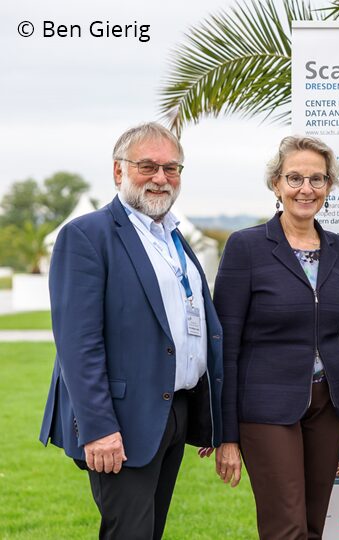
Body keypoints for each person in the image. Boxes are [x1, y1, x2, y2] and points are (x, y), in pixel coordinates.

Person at [38, 122, 224, 539]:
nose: (161, 178)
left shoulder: (174, 236)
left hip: (172, 411)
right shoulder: (87, 236)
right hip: (120, 421)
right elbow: (77, 345)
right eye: (148, 166)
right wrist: (99, 428)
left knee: (150, 531)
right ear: (119, 172)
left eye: (171, 168)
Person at [212, 135, 339, 539]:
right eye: (294, 178)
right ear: (276, 184)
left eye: (317, 179)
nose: (305, 189)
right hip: (267, 408)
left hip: (330, 406)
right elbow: (225, 346)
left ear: (329, 185)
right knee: (287, 528)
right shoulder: (246, 247)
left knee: (313, 527)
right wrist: (226, 436)